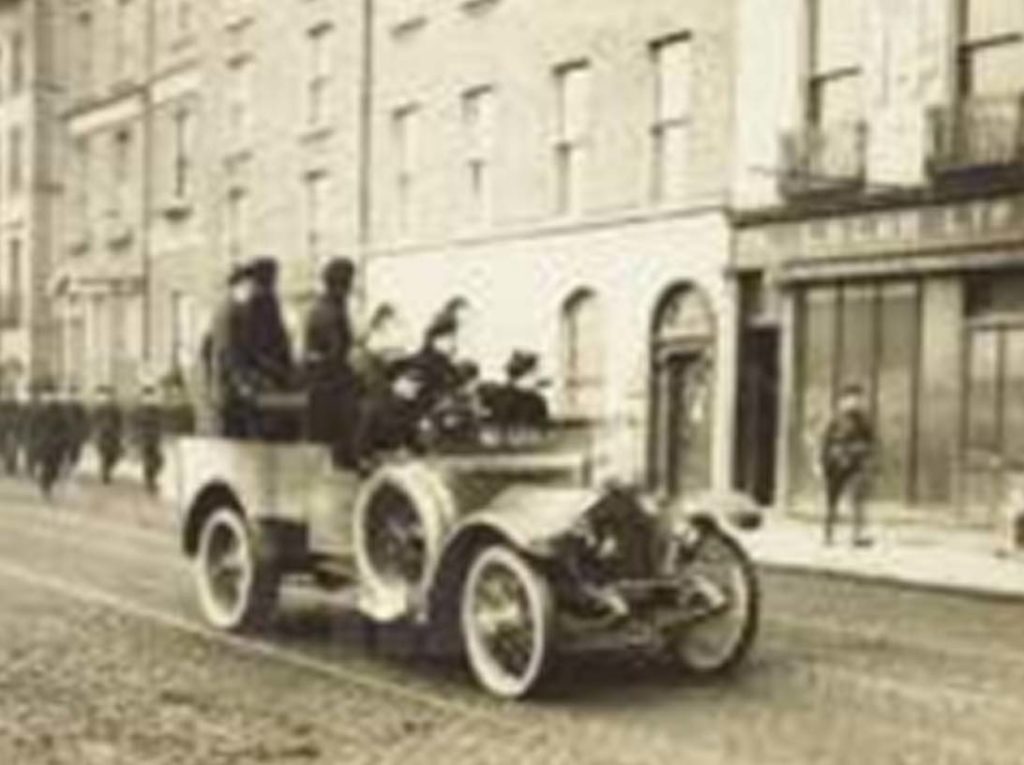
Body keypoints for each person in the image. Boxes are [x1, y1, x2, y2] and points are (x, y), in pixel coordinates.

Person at [228, 257, 297, 440]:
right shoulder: (262, 302)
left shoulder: (256, 302)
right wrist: (278, 371)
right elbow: (262, 343)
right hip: (267, 376)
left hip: (265, 373)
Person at [302, 257, 358, 467]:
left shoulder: (324, 307)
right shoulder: (330, 311)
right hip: (329, 386)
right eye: (349, 282)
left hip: (322, 384)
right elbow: (337, 351)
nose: (351, 288)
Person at [820, 383, 876, 547]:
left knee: (857, 500)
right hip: (835, 466)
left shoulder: (863, 421)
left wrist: (864, 458)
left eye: (858, 398)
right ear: (843, 400)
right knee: (832, 501)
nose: (855, 402)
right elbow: (825, 444)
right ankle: (828, 534)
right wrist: (825, 462)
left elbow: (870, 443)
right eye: (851, 398)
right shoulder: (834, 420)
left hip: (855, 466)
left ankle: (856, 535)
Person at [32, 381, 70, 500]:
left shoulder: (60, 411)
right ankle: (45, 488)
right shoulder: (37, 409)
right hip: (41, 443)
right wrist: (32, 441)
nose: (47, 397)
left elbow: (66, 427)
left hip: (56, 445)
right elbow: (31, 427)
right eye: (45, 394)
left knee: (54, 469)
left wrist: (63, 441)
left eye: (50, 394)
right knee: (45, 467)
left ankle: (47, 484)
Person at [135, 385, 164, 494]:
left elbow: (161, 423)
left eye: (151, 397)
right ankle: (150, 482)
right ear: (142, 398)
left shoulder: (157, 410)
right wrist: (136, 438)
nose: (149, 399)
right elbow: (135, 425)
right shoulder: (139, 410)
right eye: (146, 397)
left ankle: (150, 479)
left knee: (159, 461)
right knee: (149, 461)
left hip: (155, 438)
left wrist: (160, 434)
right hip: (144, 438)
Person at [93, 386, 124, 484]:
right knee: (105, 454)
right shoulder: (97, 408)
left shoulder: (115, 408)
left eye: (108, 396)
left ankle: (106, 470)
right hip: (102, 436)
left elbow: (120, 422)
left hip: (114, 436)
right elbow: (93, 422)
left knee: (115, 455)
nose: (106, 398)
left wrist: (120, 434)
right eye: (104, 396)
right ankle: (105, 473)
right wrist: (95, 434)